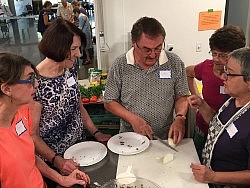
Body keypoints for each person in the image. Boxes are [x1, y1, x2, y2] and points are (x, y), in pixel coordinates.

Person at [29, 18, 111, 187]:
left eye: (78, 48)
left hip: (80, 151)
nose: (79, 54)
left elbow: (78, 106)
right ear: (57, 48)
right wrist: (57, 160)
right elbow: (32, 135)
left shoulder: (69, 68)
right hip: (55, 163)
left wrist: (96, 133)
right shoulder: (36, 83)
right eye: (73, 49)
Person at [0, 52, 90, 188]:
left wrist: (61, 179)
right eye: (30, 80)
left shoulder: (22, 112)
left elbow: (29, 157)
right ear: (7, 89)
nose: (36, 84)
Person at [104, 16, 189, 143]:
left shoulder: (174, 63)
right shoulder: (120, 65)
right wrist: (133, 119)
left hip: (164, 138)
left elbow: (182, 96)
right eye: (147, 49)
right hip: (130, 138)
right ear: (134, 43)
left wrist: (180, 117)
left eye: (158, 48)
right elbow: (109, 101)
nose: (153, 55)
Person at [188, 47, 250, 188]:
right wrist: (202, 105)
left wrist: (214, 176)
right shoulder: (230, 99)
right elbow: (219, 125)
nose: (223, 76)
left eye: (230, 73)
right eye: (225, 71)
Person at [186, 25, 246, 159]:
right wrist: (197, 96)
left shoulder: (241, 77)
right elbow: (188, 72)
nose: (216, 59)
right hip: (203, 129)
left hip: (228, 136)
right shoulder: (206, 67)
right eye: (214, 53)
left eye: (223, 55)